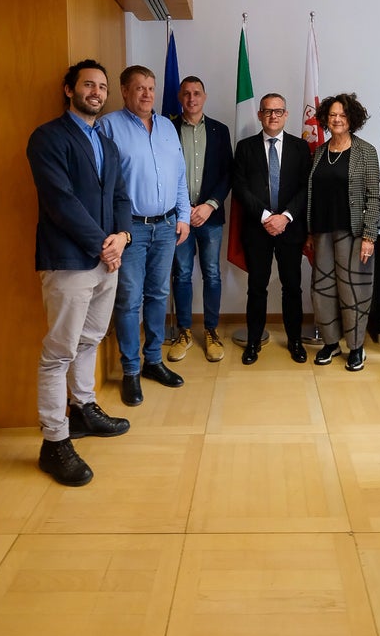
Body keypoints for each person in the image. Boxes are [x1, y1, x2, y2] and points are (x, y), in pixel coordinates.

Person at [26, 59, 132, 487]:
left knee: (90, 340)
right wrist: (103, 245)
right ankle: (54, 442)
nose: (97, 92)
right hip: (69, 261)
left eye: (102, 87)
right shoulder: (47, 138)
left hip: (107, 260)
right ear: (69, 89)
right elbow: (60, 201)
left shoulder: (106, 144)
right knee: (58, 353)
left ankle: (83, 409)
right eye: (89, 85)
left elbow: (122, 196)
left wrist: (122, 236)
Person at [101, 65, 191, 406]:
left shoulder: (168, 126)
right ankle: (131, 370)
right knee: (128, 300)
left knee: (157, 295)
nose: (147, 94)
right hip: (131, 229)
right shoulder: (109, 126)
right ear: (124, 91)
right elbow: (104, 184)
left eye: (151, 88)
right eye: (139, 88)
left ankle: (153, 360)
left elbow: (179, 176)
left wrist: (183, 215)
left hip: (167, 226)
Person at [232, 93, 311, 365]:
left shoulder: (301, 148)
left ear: (286, 115)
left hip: (290, 228)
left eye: (278, 111)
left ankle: (295, 340)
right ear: (259, 115)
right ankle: (253, 341)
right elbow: (240, 187)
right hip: (258, 229)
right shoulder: (245, 147)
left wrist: (285, 217)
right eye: (267, 111)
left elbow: (305, 188)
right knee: (257, 287)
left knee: (292, 287)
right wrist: (267, 216)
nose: (273, 116)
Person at [306, 93, 380, 372]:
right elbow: (314, 193)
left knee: (353, 290)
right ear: (325, 118)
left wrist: (369, 236)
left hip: (354, 233)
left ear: (352, 119)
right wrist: (310, 231)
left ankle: (356, 346)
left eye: (343, 115)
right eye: (332, 115)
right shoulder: (319, 152)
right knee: (322, 290)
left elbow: (374, 196)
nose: (337, 120)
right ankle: (330, 342)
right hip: (322, 230)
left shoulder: (366, 152)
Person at [167, 76, 233, 363]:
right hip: (179, 217)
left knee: (212, 273)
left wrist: (209, 205)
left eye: (196, 93)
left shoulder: (220, 130)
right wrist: (184, 209)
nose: (191, 99)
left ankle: (210, 330)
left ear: (204, 97)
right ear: (180, 97)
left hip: (210, 216)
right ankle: (183, 331)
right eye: (186, 94)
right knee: (181, 274)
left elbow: (227, 173)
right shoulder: (165, 128)